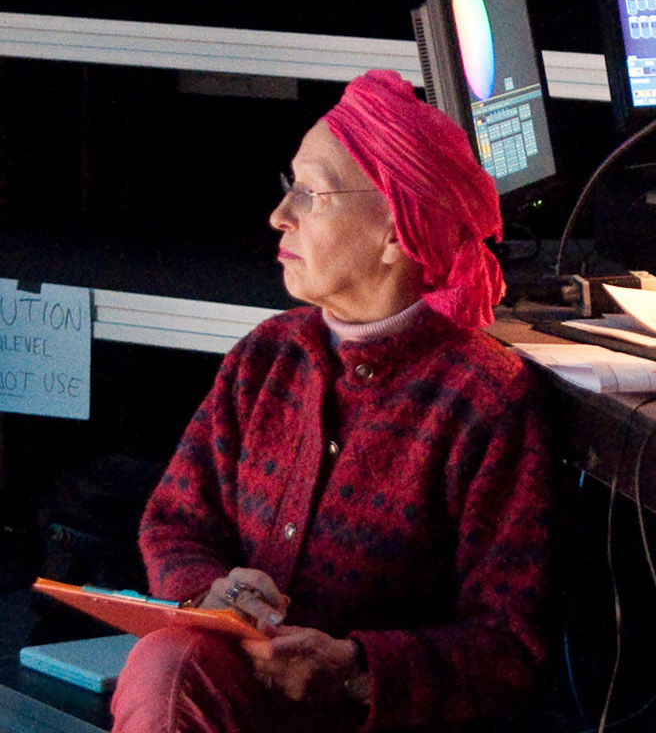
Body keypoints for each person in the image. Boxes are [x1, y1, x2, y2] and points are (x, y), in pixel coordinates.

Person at [112, 69, 555, 733]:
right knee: (172, 660)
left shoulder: (487, 404)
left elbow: (511, 645)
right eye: (288, 186)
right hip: (235, 699)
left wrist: (354, 667)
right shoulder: (266, 357)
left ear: (398, 233)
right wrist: (212, 592)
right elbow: (176, 520)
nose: (279, 215)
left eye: (310, 194)